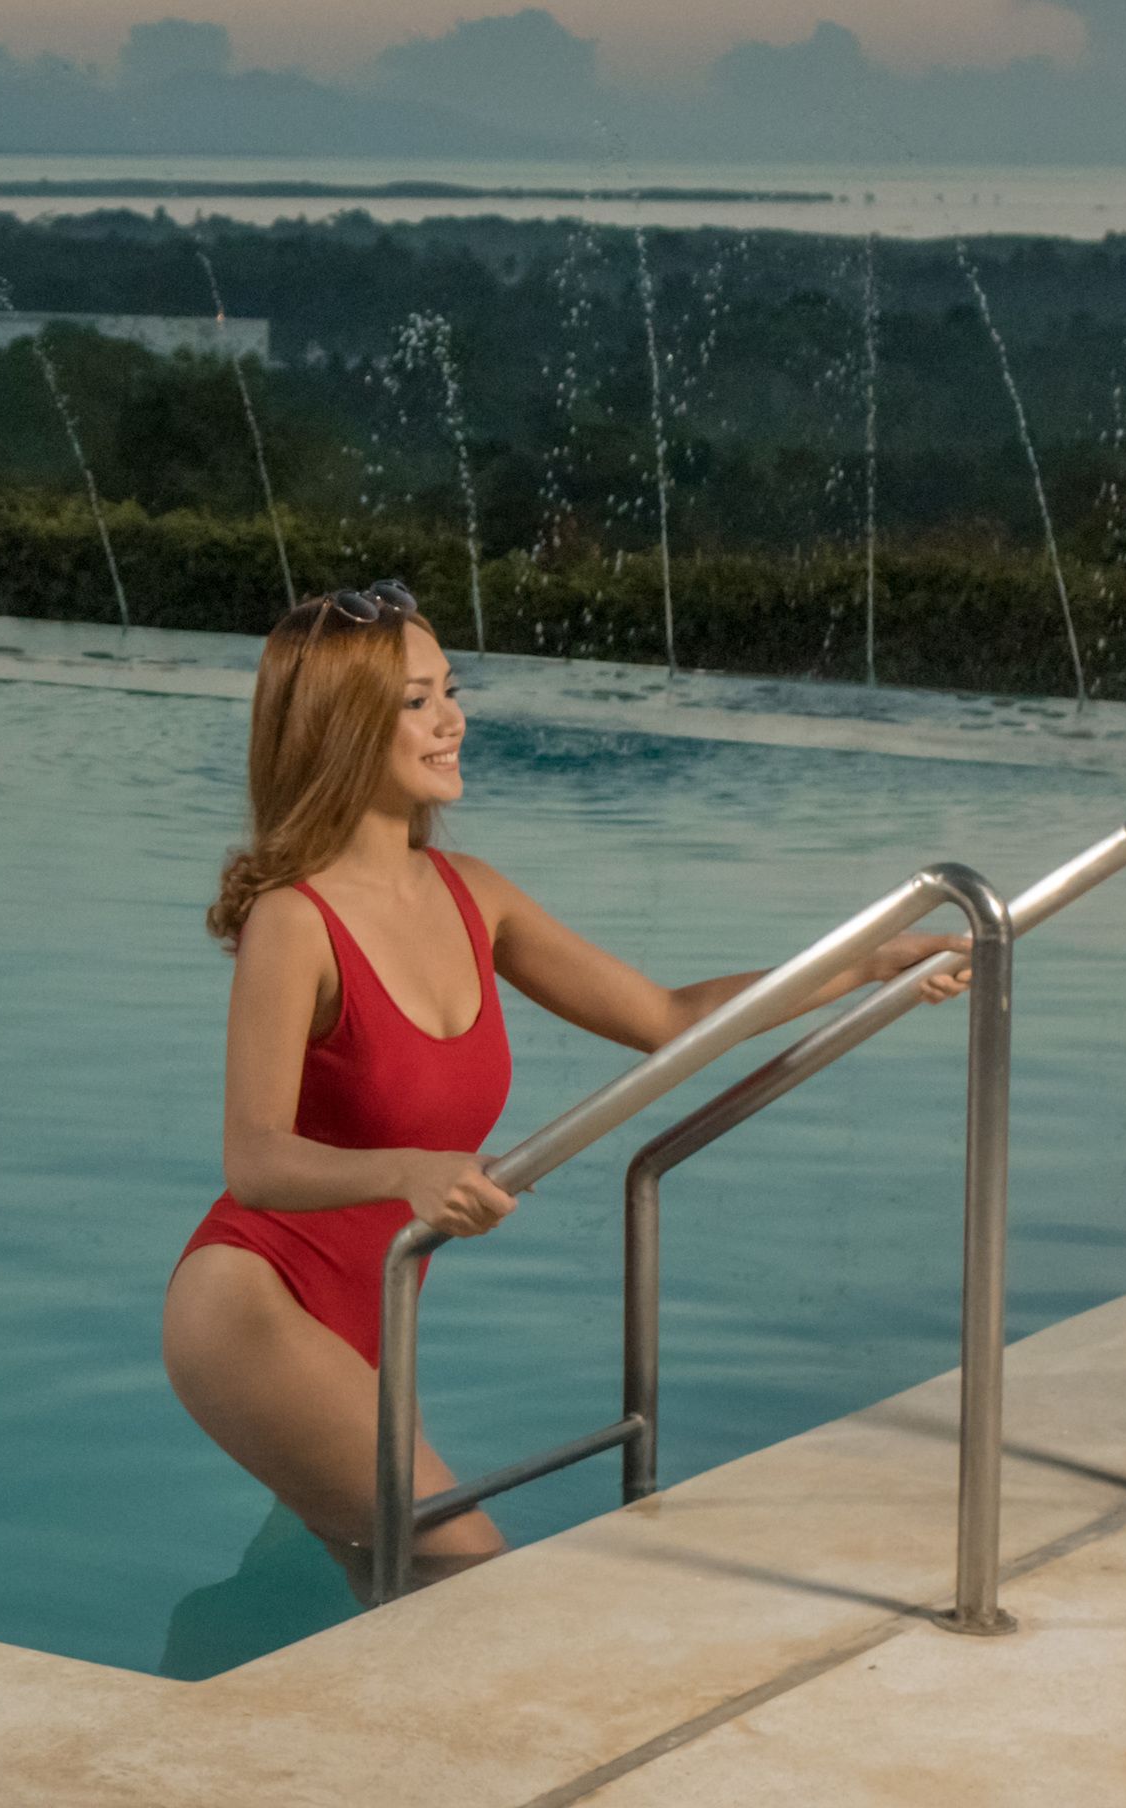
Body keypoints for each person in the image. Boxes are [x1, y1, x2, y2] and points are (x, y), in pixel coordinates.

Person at [159, 579, 968, 1596]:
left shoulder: (475, 893)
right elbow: (254, 1157)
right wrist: (410, 1170)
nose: (454, 719)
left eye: (450, 690)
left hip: (374, 1309)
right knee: (468, 1568)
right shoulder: (296, 920)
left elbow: (668, 1018)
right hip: (253, 1304)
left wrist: (868, 963)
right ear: (339, 723)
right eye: (418, 701)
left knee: (381, 1596)